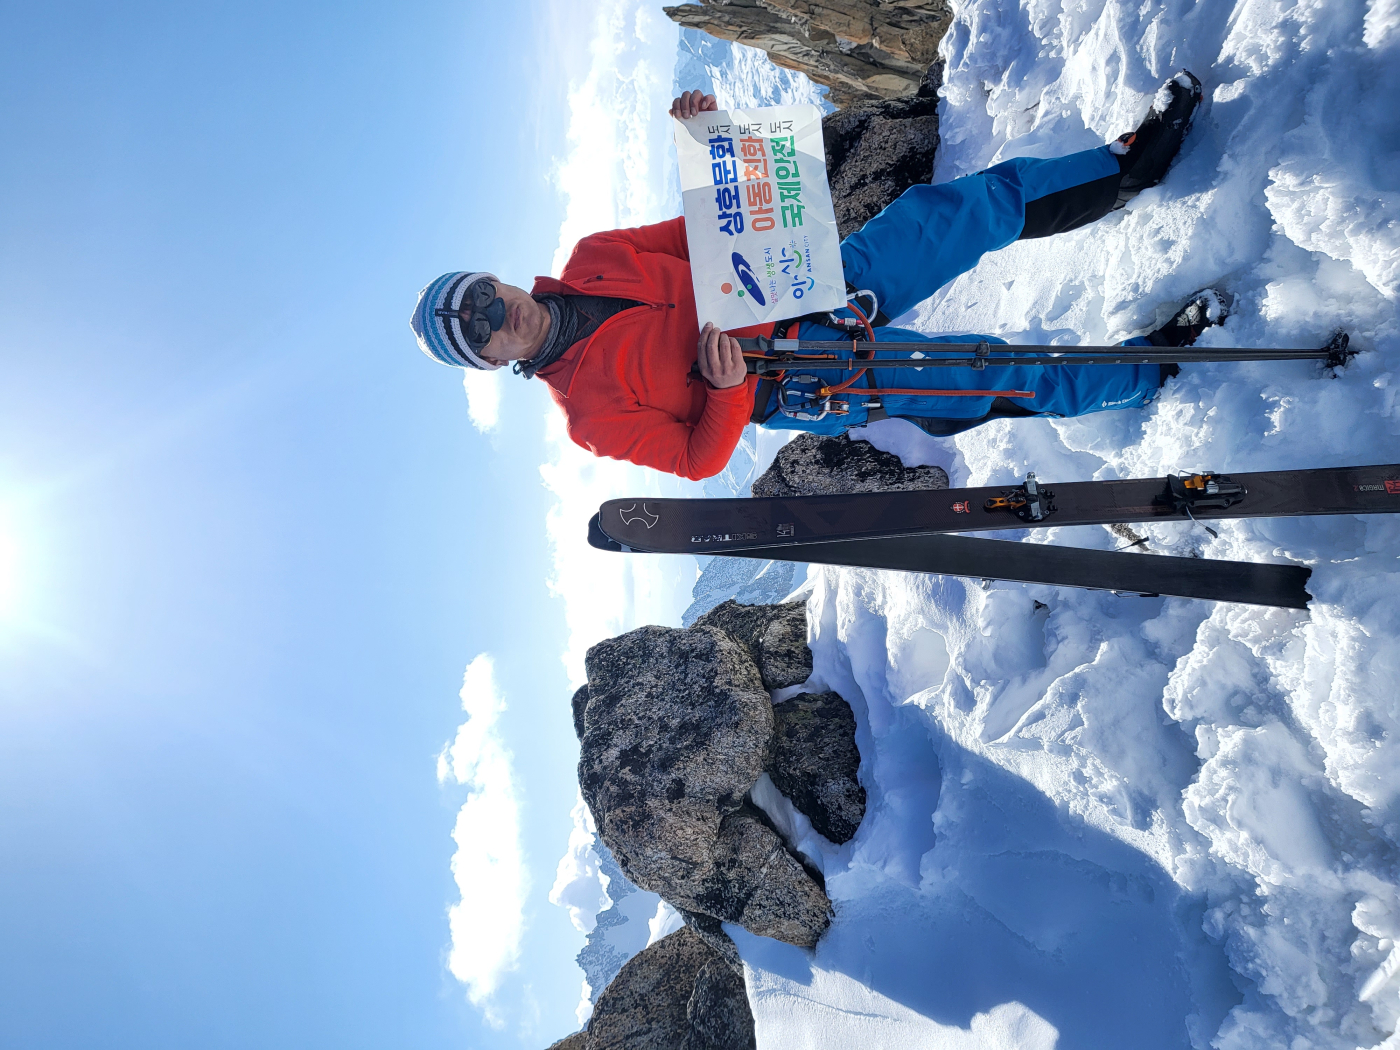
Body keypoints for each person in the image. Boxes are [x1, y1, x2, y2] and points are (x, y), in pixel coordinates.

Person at [412, 72, 1216, 481]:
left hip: (805, 280)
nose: (492, 316)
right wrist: (725, 389)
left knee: (957, 210)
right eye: (476, 334)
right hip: (805, 374)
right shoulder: (589, 416)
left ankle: (1124, 169)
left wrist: (715, 140)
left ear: (495, 278)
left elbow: (704, 226)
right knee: (988, 371)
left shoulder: (593, 257)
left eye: (479, 296)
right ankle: (1145, 371)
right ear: (490, 364)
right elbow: (697, 460)